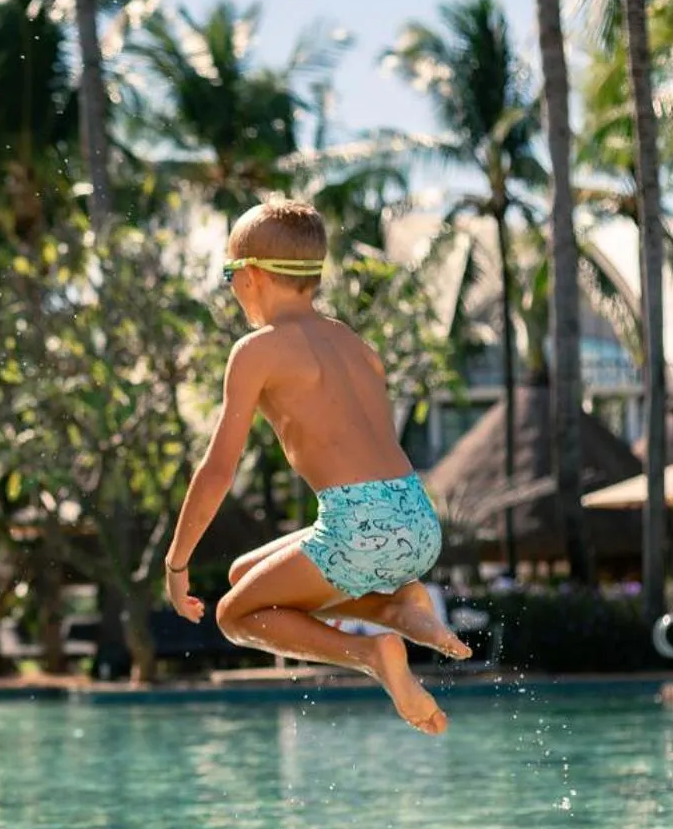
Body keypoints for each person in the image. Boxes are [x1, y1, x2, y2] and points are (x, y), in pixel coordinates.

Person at [163, 199, 469, 735]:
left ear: (252, 276)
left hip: (359, 526)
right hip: (418, 516)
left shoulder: (257, 350)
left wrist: (176, 564)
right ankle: (400, 609)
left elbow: (217, 470)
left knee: (234, 615)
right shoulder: (354, 344)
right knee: (244, 575)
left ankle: (374, 653)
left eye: (230, 273)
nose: (232, 286)